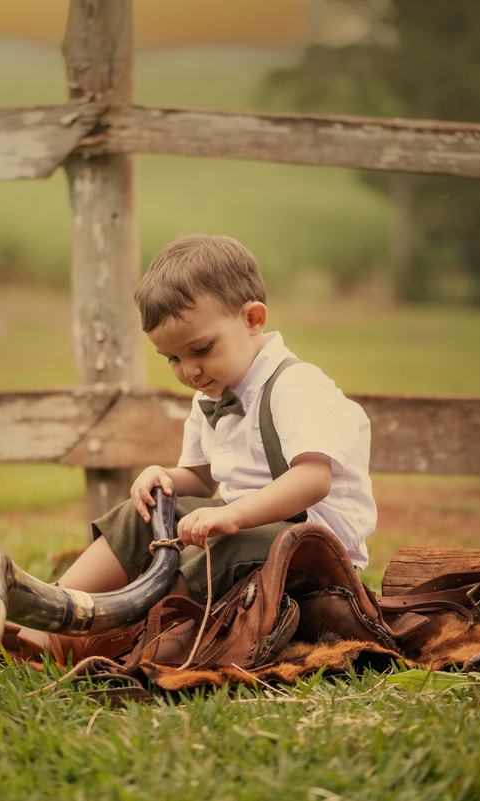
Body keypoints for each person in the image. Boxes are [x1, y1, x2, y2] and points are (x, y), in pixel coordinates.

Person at [19, 233, 376, 647]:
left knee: (220, 546)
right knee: (145, 515)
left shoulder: (294, 385)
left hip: (315, 551)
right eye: (172, 358)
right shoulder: (211, 391)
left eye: (200, 349)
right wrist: (165, 476)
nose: (189, 370)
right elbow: (200, 480)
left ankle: (129, 639)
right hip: (247, 527)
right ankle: (47, 620)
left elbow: (313, 480)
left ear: (253, 319)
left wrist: (236, 514)